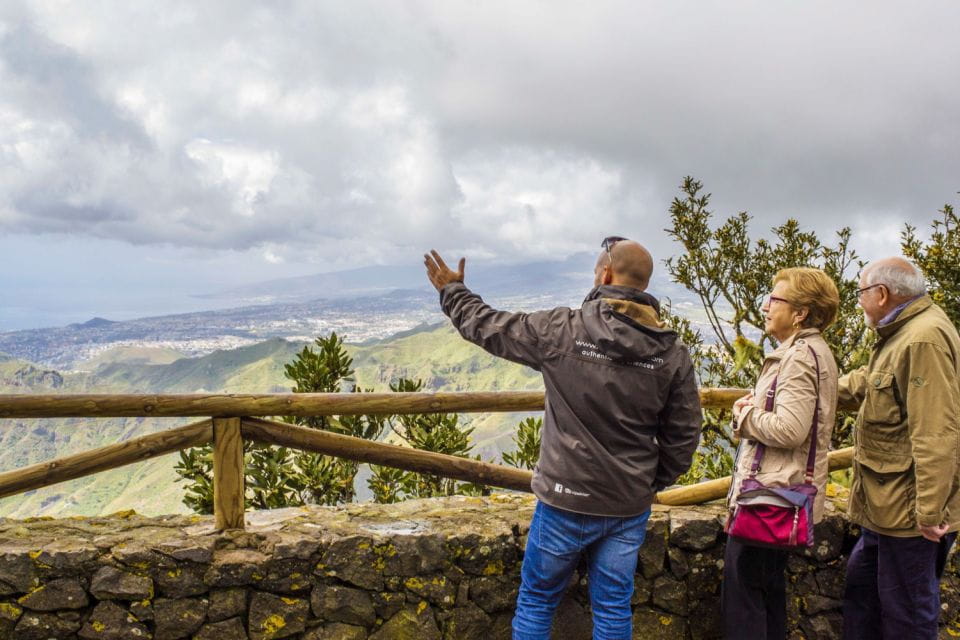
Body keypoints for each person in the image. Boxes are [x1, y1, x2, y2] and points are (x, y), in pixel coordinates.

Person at [423, 238, 701, 640]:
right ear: (643, 285)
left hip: (563, 497)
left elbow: (490, 327)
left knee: (537, 600)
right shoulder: (672, 353)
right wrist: (650, 481)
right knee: (612, 608)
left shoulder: (563, 329)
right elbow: (684, 434)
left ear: (606, 275)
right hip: (626, 504)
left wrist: (453, 291)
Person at [839, 257, 960, 639]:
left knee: (906, 614)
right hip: (886, 507)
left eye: (860, 293)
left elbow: (935, 431)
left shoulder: (922, 340)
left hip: (908, 514)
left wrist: (928, 510)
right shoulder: (903, 333)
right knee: (864, 596)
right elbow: (870, 381)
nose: (858, 302)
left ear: (881, 293)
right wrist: (809, 387)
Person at [724, 267, 840, 640]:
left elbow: (791, 429)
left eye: (775, 299)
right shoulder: (810, 352)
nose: (765, 306)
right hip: (782, 493)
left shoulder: (799, 357)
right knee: (767, 591)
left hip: (770, 494)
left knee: (745, 600)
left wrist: (745, 415)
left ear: (800, 312)